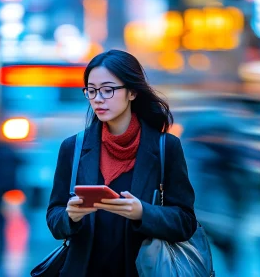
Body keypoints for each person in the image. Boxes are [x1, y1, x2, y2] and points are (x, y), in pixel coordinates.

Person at [46, 50, 197, 277]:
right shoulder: (73, 147)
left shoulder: (166, 148)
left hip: (143, 271)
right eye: (91, 90)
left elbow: (185, 222)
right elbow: (54, 217)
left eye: (108, 90)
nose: (98, 99)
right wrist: (70, 216)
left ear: (132, 92)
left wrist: (142, 213)